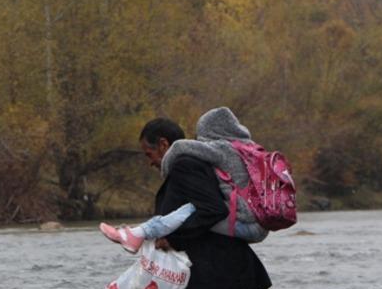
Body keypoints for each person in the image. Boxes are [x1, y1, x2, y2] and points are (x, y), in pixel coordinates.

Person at [130, 115, 272, 289]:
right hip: (235, 265)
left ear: (164, 144)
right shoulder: (205, 164)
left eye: (148, 153)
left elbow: (211, 210)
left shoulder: (186, 164)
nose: (149, 162)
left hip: (211, 266)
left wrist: (171, 236)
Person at [100, 107, 267, 252]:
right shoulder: (246, 150)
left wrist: (172, 238)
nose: (201, 140)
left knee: (190, 210)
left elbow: (181, 147)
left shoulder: (213, 154)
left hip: (241, 231)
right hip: (255, 226)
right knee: (189, 212)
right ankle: (136, 236)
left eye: (149, 155)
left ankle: (137, 234)